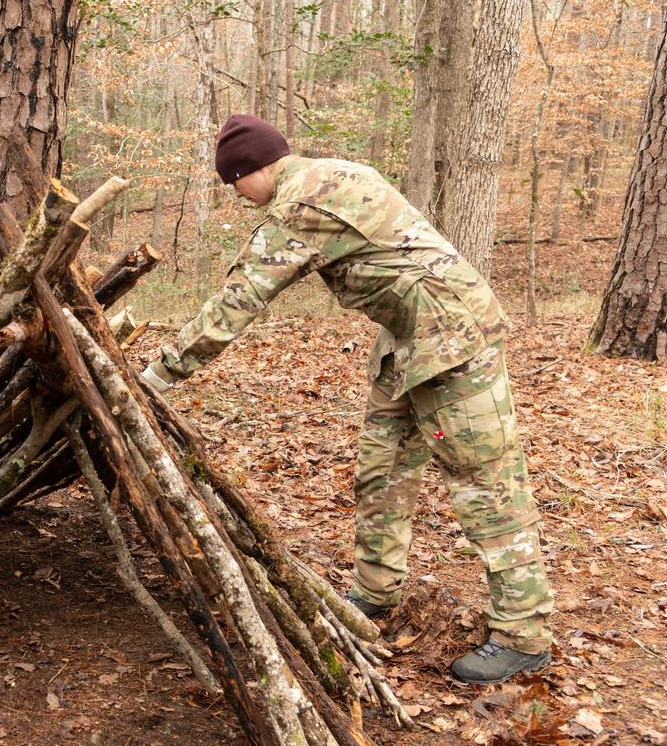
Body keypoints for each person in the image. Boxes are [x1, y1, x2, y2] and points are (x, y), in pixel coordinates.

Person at [141, 114, 555, 685]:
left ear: (253, 167)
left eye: (233, 181)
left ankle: (522, 635)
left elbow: (236, 303)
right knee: (382, 467)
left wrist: (156, 376)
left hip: (452, 335)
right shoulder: (332, 173)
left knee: (486, 482)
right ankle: (375, 592)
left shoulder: (301, 205)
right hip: (407, 337)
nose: (236, 195)